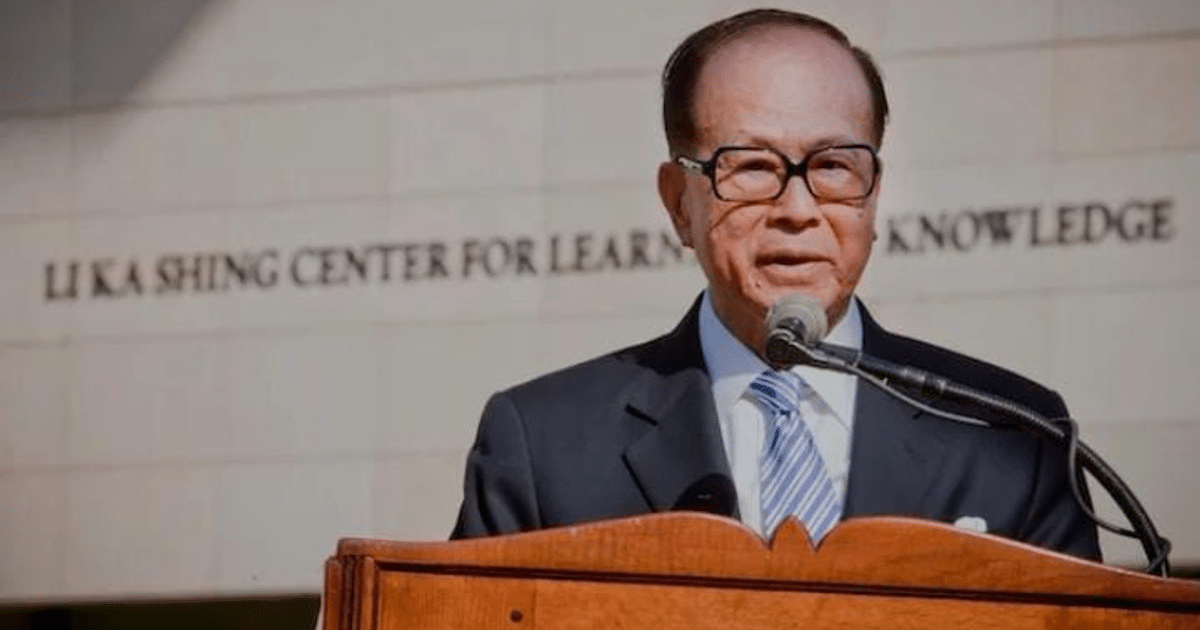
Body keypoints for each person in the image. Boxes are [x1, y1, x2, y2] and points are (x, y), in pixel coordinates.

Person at [451, 8, 1101, 560]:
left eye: (836, 165)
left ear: (875, 194)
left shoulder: (1014, 435)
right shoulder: (541, 442)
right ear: (680, 202)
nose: (797, 207)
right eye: (753, 165)